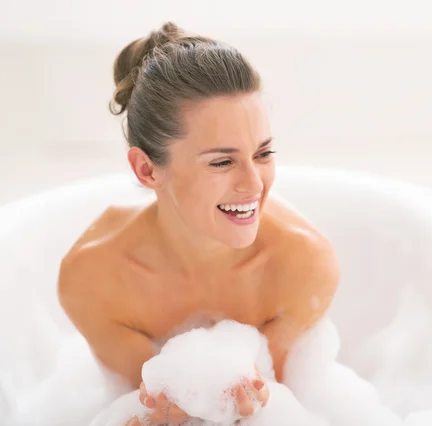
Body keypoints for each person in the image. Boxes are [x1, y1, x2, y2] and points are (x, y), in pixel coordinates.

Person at [57, 22, 340, 425]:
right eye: (222, 162)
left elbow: (288, 399)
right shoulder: (95, 279)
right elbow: (142, 402)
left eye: (263, 153)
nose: (254, 184)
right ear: (146, 169)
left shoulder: (303, 264)